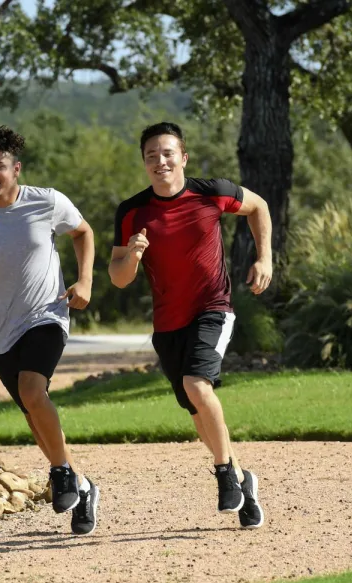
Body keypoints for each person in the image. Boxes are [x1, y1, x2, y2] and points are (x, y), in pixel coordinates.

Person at [108, 121, 272, 529]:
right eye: (151, 155)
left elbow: (259, 207)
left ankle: (223, 474)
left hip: (213, 307)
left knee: (197, 385)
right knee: (197, 410)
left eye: (167, 153)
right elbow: (118, 277)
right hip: (167, 323)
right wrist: (133, 256)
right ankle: (242, 480)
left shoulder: (212, 193)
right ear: (144, 163)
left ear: (183, 157)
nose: (160, 161)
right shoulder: (132, 212)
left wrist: (264, 258)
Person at [0, 124, 99, 535]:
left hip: (47, 314)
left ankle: (61, 473)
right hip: (1, 331)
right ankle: (81, 486)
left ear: (16, 168)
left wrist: (85, 280)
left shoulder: (46, 201)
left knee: (33, 390)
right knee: (34, 414)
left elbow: (83, 232)